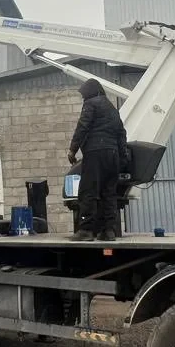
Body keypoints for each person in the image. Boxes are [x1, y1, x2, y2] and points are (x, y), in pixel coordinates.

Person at [67, 78, 129, 242]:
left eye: (83, 95)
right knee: (108, 193)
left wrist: (72, 149)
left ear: (90, 92)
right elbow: (122, 134)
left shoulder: (91, 104)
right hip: (112, 155)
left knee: (89, 190)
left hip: (96, 153)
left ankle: (86, 230)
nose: (83, 98)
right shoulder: (112, 109)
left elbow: (83, 126)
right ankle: (108, 231)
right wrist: (122, 158)